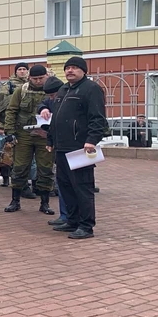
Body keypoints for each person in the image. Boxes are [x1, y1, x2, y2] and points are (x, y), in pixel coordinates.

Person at [46, 56, 108, 240]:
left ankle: (86, 226)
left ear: (83, 70)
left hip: (81, 147)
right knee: (65, 186)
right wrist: (50, 139)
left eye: (74, 67)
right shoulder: (64, 89)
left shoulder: (91, 89)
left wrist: (92, 140)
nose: (70, 71)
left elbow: (97, 118)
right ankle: (72, 220)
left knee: (82, 187)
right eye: (67, 68)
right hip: (61, 147)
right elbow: (55, 118)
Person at [2, 65, 55, 216]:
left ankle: (44, 203)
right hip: (23, 134)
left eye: (41, 78)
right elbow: (11, 111)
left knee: (45, 168)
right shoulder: (21, 90)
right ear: (29, 78)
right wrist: (10, 132)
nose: (38, 81)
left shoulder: (53, 90)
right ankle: (15, 201)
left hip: (44, 135)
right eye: (35, 78)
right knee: (20, 167)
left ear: (46, 76)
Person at [38, 76, 70, 228]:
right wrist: (43, 108)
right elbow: (44, 104)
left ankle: (76, 218)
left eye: (53, 95)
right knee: (62, 182)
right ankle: (65, 216)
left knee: (77, 185)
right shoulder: (54, 100)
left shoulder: (73, 98)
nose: (51, 98)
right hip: (60, 146)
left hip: (77, 145)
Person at [0, 63, 30, 186]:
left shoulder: (31, 84)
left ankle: (23, 179)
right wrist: (1, 125)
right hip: (10, 123)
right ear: (16, 72)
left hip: (25, 125)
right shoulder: (8, 86)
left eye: (24, 69)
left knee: (23, 154)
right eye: (19, 69)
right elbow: (0, 106)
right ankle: (6, 178)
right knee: (7, 152)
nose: (22, 71)